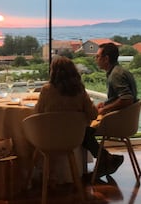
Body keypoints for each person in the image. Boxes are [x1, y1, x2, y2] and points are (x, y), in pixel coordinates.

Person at [33, 55, 98, 185]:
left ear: (53, 72)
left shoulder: (47, 90)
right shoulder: (80, 90)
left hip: (49, 139)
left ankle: (36, 174)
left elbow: (37, 114)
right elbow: (93, 115)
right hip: (74, 139)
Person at [83, 42, 138, 178]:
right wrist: (107, 103)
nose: (95, 59)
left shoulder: (115, 75)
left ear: (106, 58)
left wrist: (105, 109)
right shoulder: (119, 71)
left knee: (82, 133)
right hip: (126, 119)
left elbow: (127, 99)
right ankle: (107, 160)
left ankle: (106, 160)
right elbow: (123, 98)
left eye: (97, 56)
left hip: (119, 122)